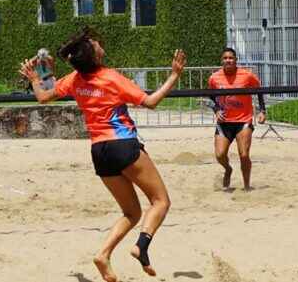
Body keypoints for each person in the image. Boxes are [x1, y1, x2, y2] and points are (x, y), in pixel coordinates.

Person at [19, 27, 186, 282]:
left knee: (131, 213)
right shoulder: (110, 77)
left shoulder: (75, 79)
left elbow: (42, 96)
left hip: (99, 151)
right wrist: (174, 76)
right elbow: (151, 102)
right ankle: (142, 245)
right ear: (94, 56)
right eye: (96, 44)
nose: (99, 44)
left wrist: (35, 77)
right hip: (122, 145)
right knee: (161, 201)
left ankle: (103, 255)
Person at [207, 48, 266, 190]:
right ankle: (228, 169)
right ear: (222, 60)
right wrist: (216, 109)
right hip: (224, 122)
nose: (228, 60)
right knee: (220, 155)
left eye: (231, 58)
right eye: (225, 58)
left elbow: (259, 90)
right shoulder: (214, 78)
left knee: (244, 155)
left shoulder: (247, 75)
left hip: (243, 121)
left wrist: (262, 110)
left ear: (236, 60)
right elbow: (210, 95)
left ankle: (246, 186)